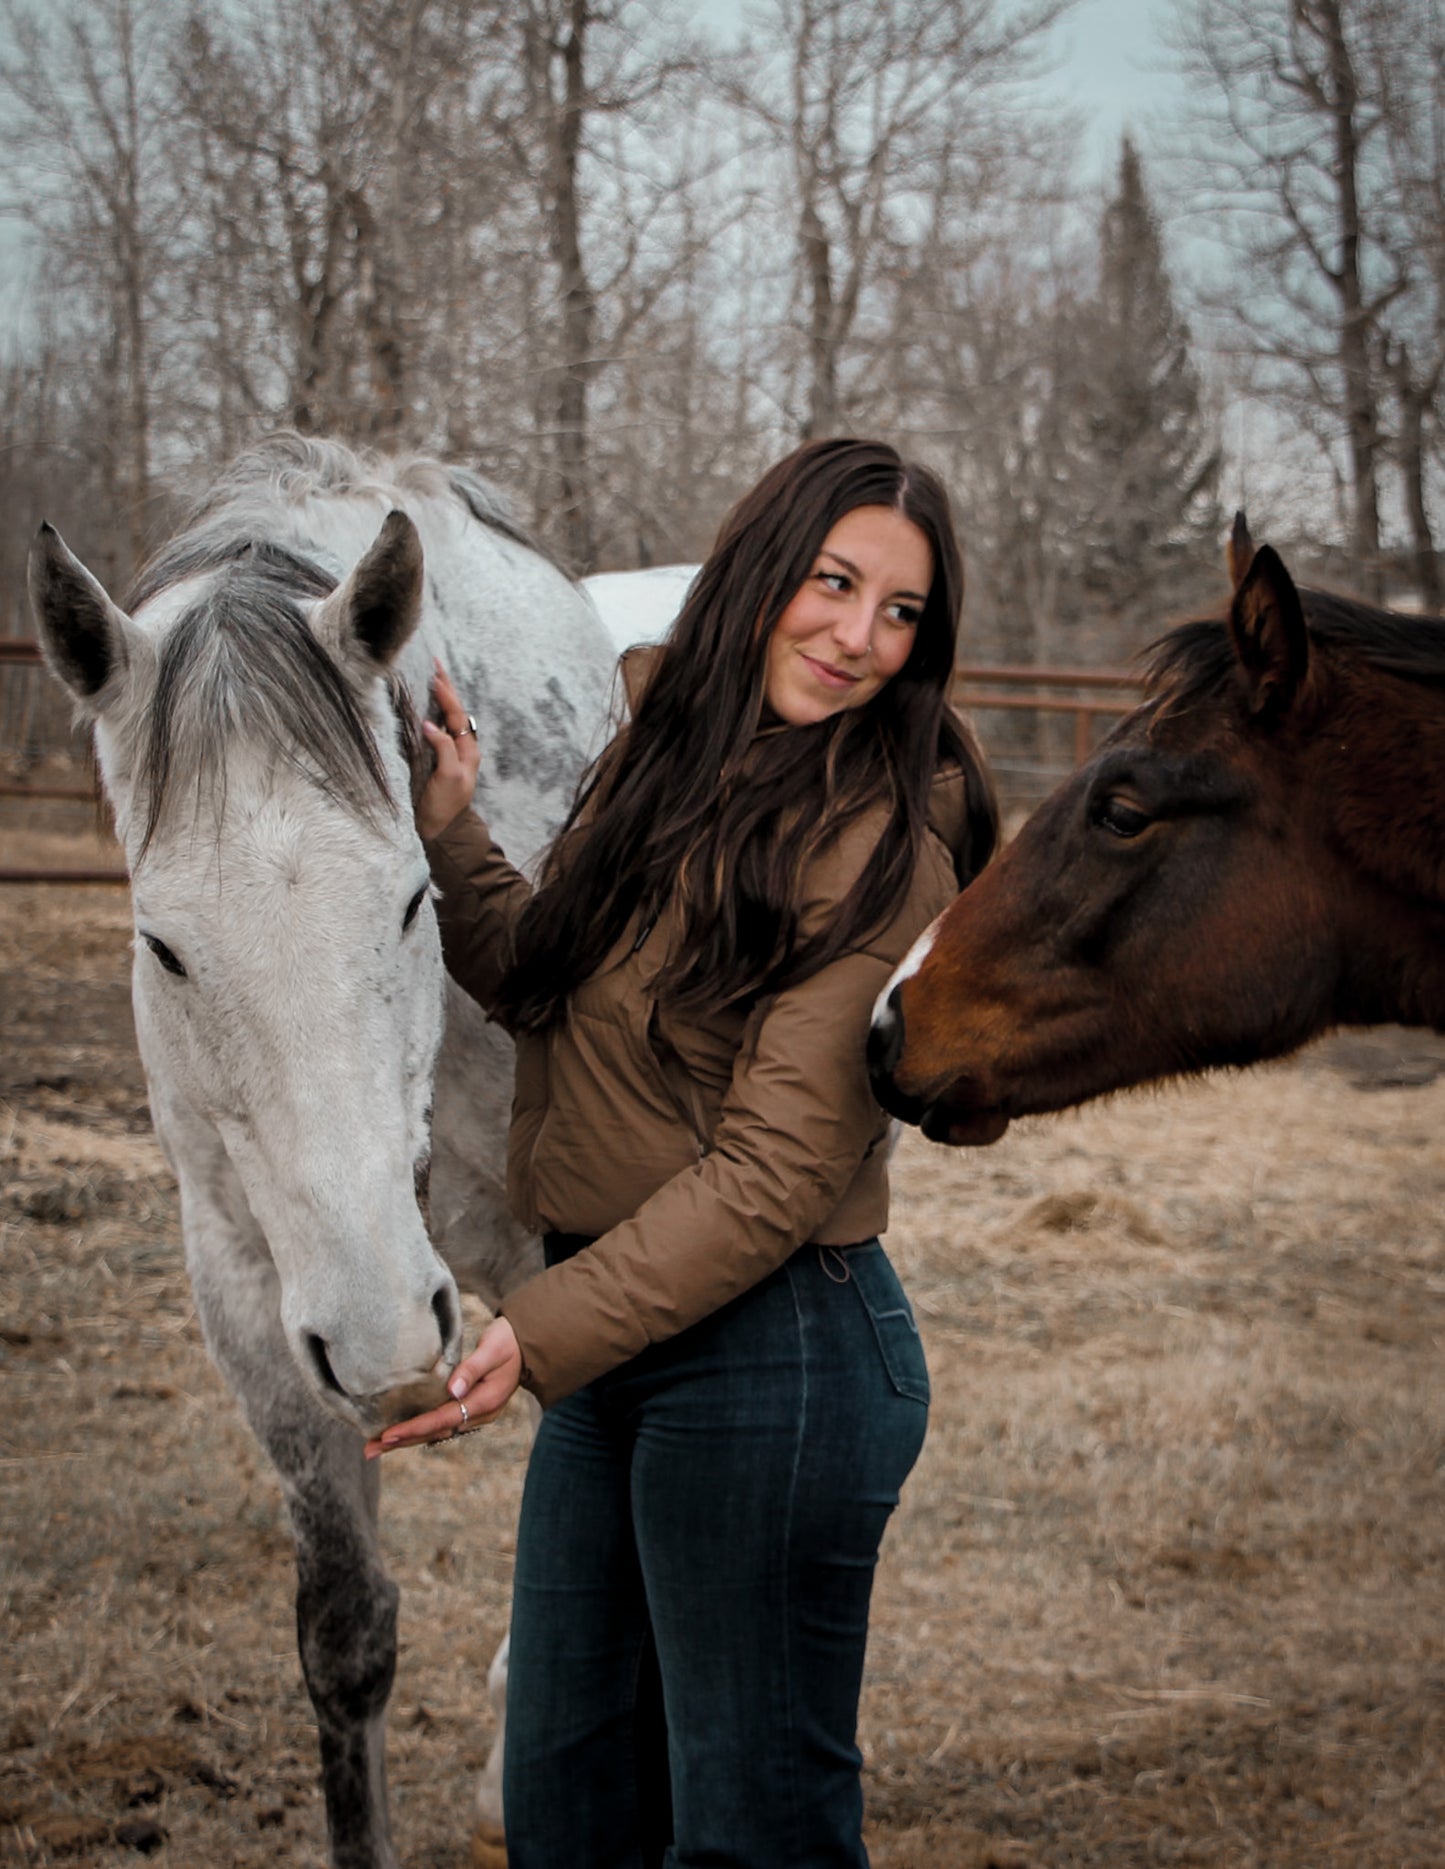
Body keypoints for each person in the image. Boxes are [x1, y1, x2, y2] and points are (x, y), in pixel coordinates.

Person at [368, 438, 998, 1868]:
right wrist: (456, 833)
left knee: (745, 1829)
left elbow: (772, 1177)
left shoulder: (886, 842)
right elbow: (540, 969)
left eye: (900, 612)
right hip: (615, 1335)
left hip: (773, 1361)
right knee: (564, 1799)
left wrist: (532, 1332)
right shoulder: (661, 756)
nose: (857, 637)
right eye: (834, 584)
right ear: (760, 571)